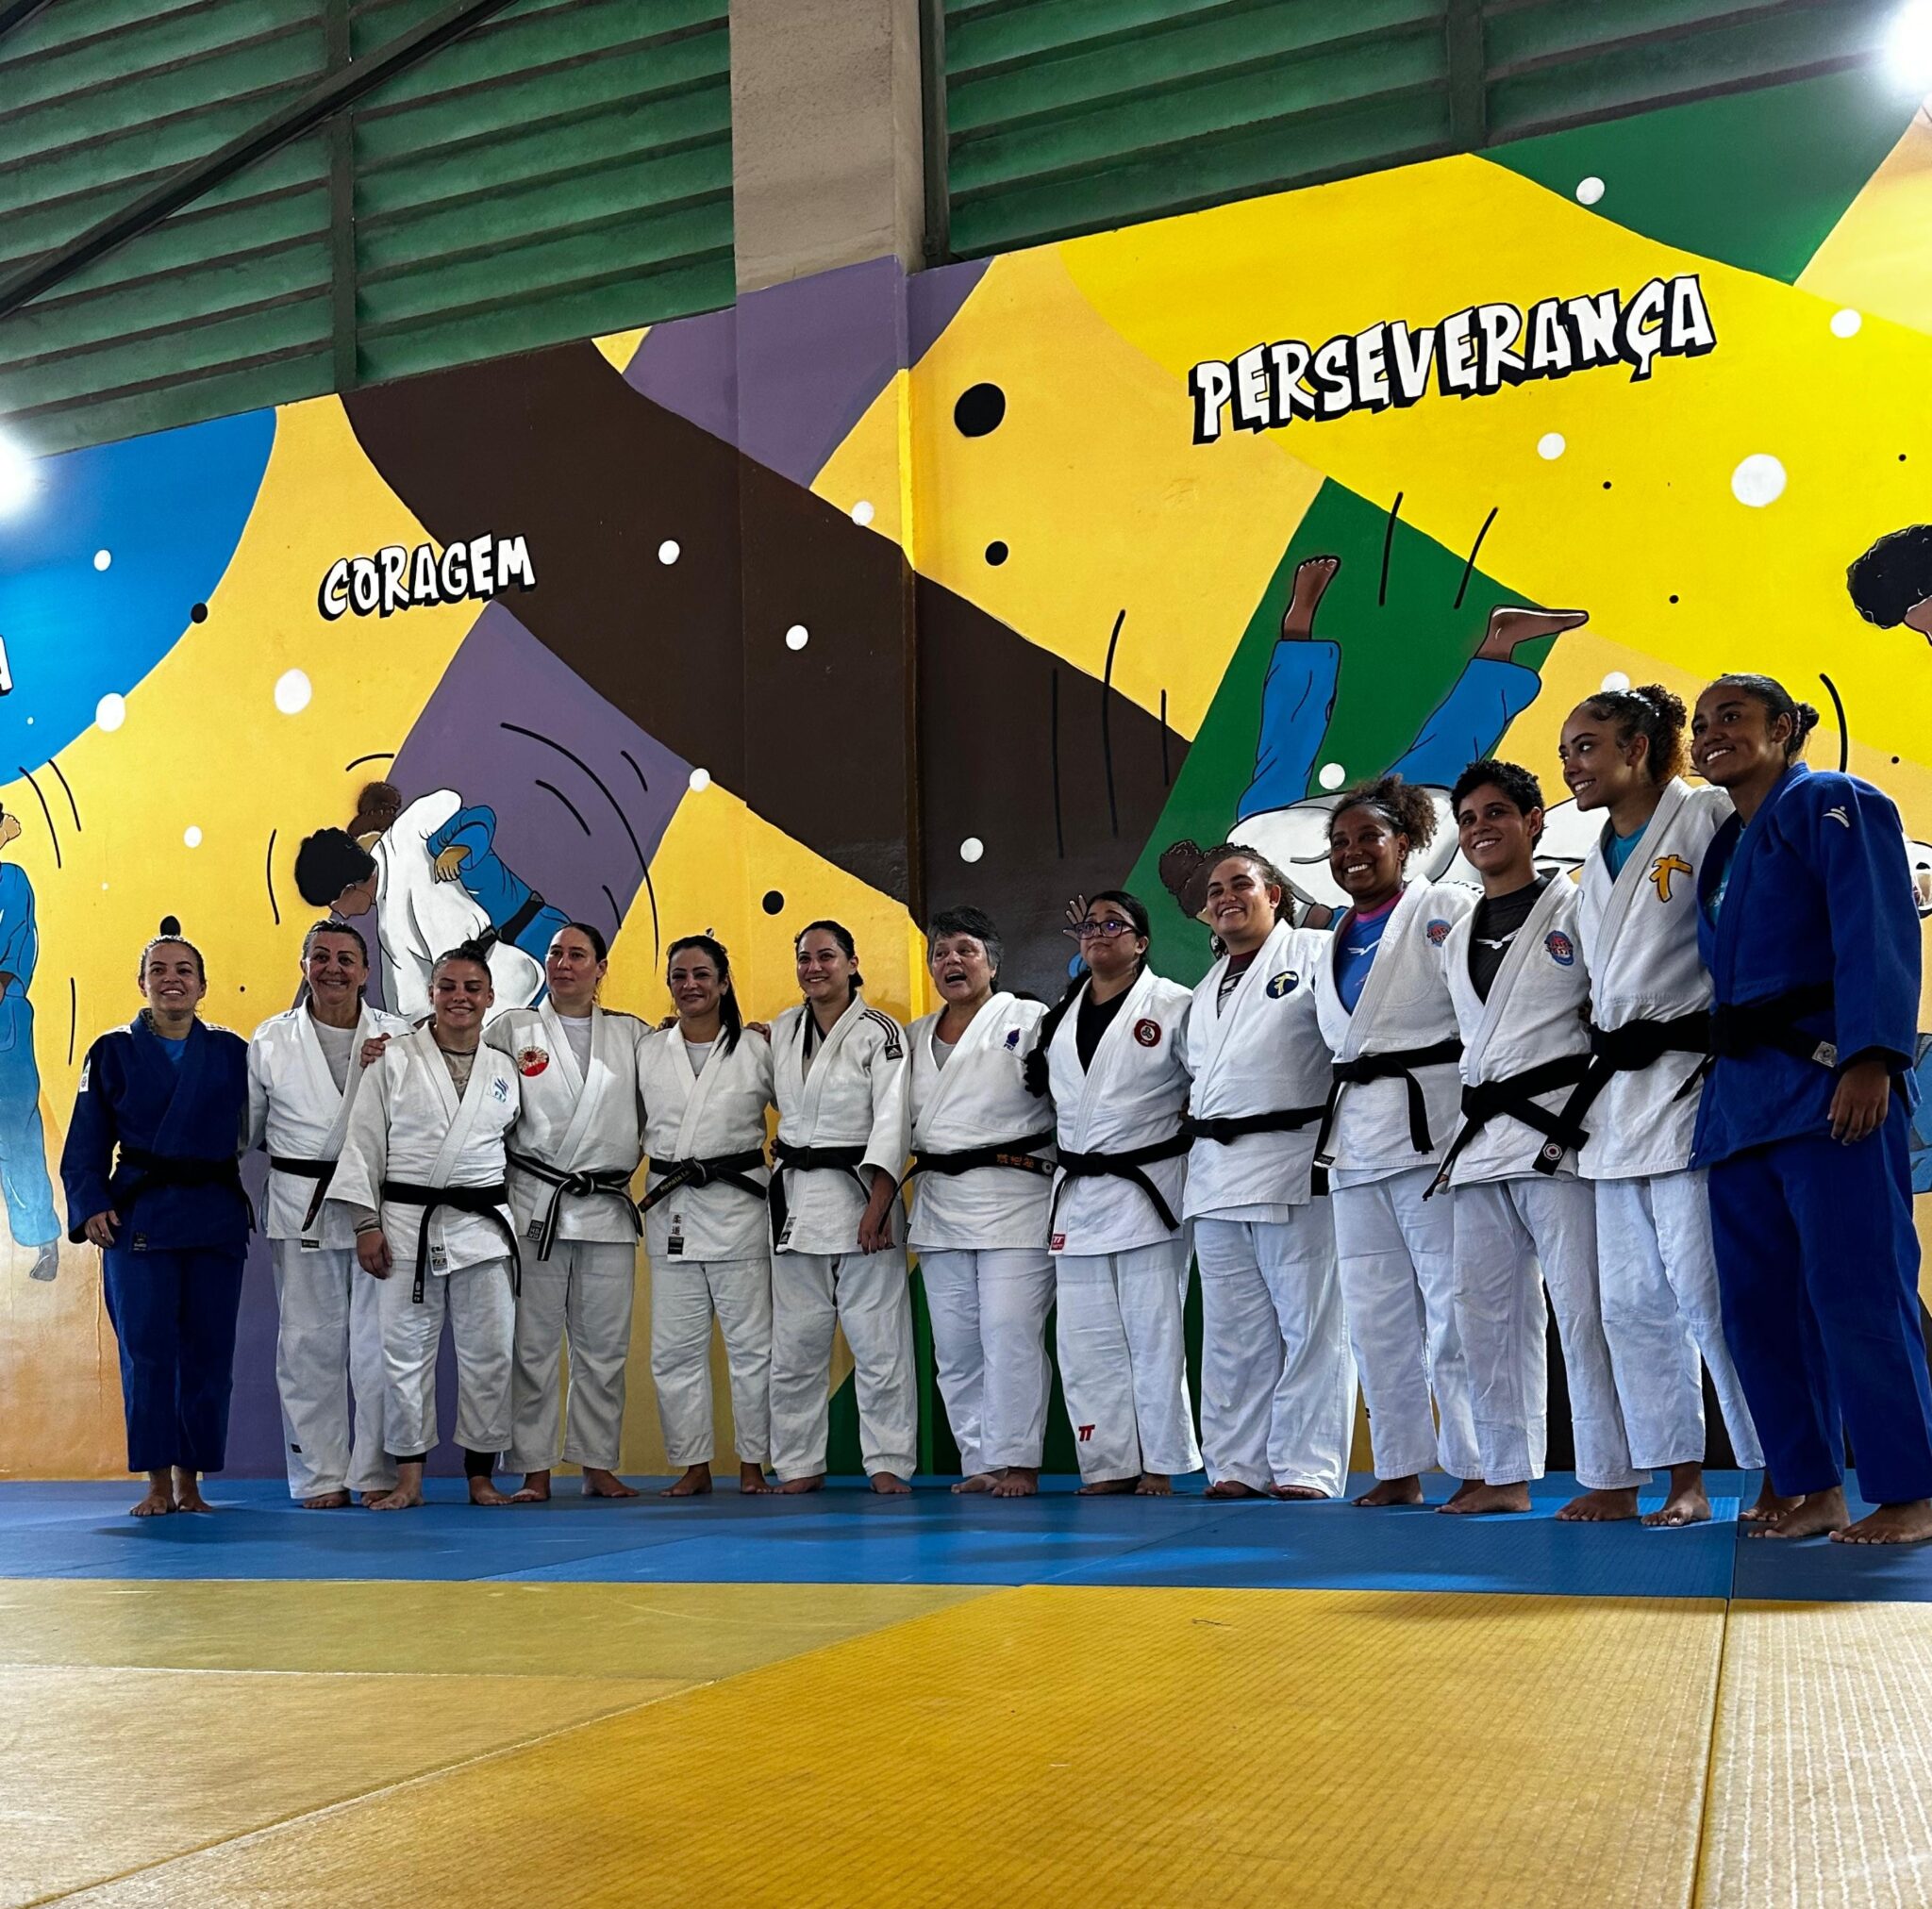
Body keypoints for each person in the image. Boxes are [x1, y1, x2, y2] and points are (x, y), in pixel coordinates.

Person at [1690, 673, 1932, 1545]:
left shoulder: (1834, 800)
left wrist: (1871, 1056)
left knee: (1859, 1292)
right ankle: (1812, 1487)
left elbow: (1878, 928)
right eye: (1701, 724)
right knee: (1757, 1309)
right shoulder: (1726, 843)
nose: (1711, 734)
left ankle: (1910, 1493)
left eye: (1733, 717)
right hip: (1741, 1102)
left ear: (1786, 727)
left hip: (1830, 1084)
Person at [1557, 685, 1769, 1527]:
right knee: (1631, 1306)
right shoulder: (1592, 864)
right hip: (1615, 1108)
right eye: (1567, 751)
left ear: (1637, 748)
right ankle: (1680, 1477)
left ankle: (1778, 1471)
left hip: (1689, 1086)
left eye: (1586, 747)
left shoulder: (1708, 815)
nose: (1573, 765)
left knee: (1712, 1296)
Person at [1432, 763, 1640, 1519]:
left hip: (1560, 1135)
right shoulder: (1455, 936)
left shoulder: (1579, 909)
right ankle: (1505, 1473)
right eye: (1467, 819)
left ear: (1533, 822)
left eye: (1495, 813)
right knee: (1484, 1319)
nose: (1479, 828)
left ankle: (1612, 1477)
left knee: (1585, 1312)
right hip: (1481, 1142)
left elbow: (1613, 1010)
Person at [1310, 777, 1479, 1507]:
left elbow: (1481, 1014)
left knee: (1453, 1308)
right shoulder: (1332, 939)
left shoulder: (1446, 909)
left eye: (1368, 837)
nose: (1352, 852)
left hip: (1431, 1133)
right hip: (1355, 1145)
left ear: (1405, 843)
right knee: (1375, 1317)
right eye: (1339, 842)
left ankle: (1481, 1465)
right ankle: (1399, 1467)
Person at [60, 919, 251, 1516]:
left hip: (213, 1216)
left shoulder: (232, 1051)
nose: (173, 980)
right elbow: (86, 1140)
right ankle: (157, 1482)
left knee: (208, 1354)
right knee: (147, 1353)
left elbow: (280, 1114)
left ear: (202, 986)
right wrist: (91, 1202)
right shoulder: (111, 1051)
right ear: (141, 983)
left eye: (184, 971)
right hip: (139, 1215)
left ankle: (192, 1483)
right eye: (159, 970)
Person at [1182, 848, 1355, 1501]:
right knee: (1232, 1335)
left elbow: (1348, 1046)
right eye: (1215, 890)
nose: (1226, 897)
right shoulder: (1206, 989)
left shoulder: (1314, 954)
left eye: (1241, 884)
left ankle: (1307, 1466)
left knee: (1311, 1328)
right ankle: (1237, 1465)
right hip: (1215, 1176)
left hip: (1291, 1163)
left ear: (1274, 895)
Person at [328, 939, 522, 1509]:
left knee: (490, 1355)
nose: (460, 997)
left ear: (490, 997)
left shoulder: (504, 1068)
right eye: (448, 987)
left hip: (484, 1229)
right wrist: (365, 1223)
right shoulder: (393, 1060)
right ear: (430, 994)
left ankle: (480, 1476)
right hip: (407, 1226)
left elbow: (519, 1149)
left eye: (472, 988)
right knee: (404, 1355)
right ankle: (408, 1478)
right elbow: (363, 1144)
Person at [1033, 891, 1201, 1495]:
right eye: (1089, 924)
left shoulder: (1175, 1005)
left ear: (1141, 942)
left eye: (1113, 924)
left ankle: (1161, 1461)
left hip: (1146, 1190)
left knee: (1154, 1336)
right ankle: (1107, 1463)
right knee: (1085, 1342)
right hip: (1078, 1195)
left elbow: (1210, 1080)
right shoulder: (1059, 1017)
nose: (1098, 933)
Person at [246, 921, 413, 1508]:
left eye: (346, 958)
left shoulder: (398, 1035)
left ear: (366, 972)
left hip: (378, 1206)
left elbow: (418, 1116)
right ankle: (319, 1474)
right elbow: (249, 1129)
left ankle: (374, 1469)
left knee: (379, 1345)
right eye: (320, 957)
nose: (333, 968)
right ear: (304, 967)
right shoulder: (271, 1040)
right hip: (301, 1203)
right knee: (307, 1345)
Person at [487, 922, 646, 1502]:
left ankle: (597, 1464)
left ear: (601, 968)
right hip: (537, 1204)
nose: (563, 963)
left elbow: (676, 1079)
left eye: (578, 955)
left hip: (605, 1208)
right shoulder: (512, 1029)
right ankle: (533, 1468)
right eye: (555, 953)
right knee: (532, 1344)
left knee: (604, 1347)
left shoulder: (633, 1034)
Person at [907, 908, 1056, 1497]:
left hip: (1015, 1198)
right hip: (941, 1204)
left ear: (992, 963)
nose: (952, 961)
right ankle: (981, 1460)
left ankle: (1018, 1460)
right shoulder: (913, 1037)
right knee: (956, 1345)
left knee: (1009, 1332)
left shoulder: (1032, 1020)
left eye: (965, 950)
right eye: (940, 953)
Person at [768, 921, 914, 1493]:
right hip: (797, 1203)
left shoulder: (881, 1032)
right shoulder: (782, 1028)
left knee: (880, 1343)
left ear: (853, 964)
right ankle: (798, 1463)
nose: (814, 968)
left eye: (826, 956)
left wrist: (878, 1205)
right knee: (796, 1346)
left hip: (862, 1198)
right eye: (805, 958)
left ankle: (888, 1460)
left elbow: (893, 1122)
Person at [638, 934, 775, 1497]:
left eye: (701, 975)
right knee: (674, 1351)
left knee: (753, 1348)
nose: (689, 985)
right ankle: (693, 1465)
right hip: (671, 1207)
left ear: (723, 983)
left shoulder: (758, 1048)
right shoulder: (648, 1049)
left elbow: (803, 1111)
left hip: (739, 1208)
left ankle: (753, 1463)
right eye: (679, 976)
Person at [292, 787, 543, 1020]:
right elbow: (408, 1011)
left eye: (335, 904)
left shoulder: (408, 831)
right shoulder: (389, 928)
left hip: (509, 969)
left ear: (350, 889)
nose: (341, 914)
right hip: (477, 1010)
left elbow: (474, 815)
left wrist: (458, 849)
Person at [0, 805, 62, 1280]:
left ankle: (42, 1238)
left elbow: (20, 946)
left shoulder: (12, 880)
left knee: (17, 1133)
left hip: (6, 1027)